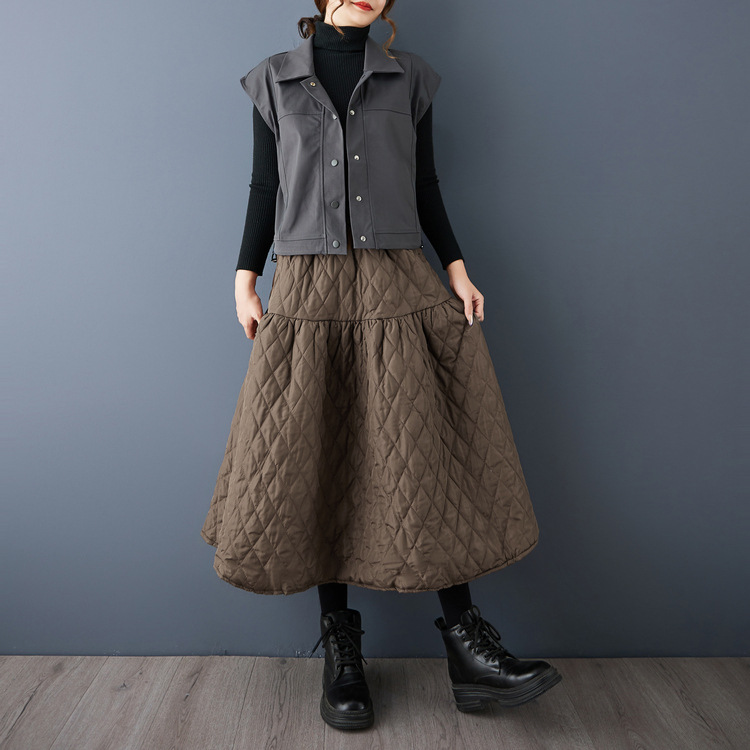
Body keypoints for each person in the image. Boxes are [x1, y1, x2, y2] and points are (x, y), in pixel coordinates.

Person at [201, 0, 562, 731]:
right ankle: (343, 654)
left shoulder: (410, 78)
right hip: (307, 288)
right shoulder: (272, 80)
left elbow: (426, 186)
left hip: (399, 282)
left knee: (423, 455)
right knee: (315, 453)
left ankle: (468, 652)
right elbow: (265, 188)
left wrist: (456, 267)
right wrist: (244, 278)